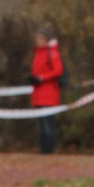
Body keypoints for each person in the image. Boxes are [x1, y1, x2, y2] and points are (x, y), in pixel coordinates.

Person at [31, 24, 64, 155]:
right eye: (37, 38)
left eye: (40, 39)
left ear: (46, 40)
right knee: (41, 125)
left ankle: (49, 151)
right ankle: (43, 150)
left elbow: (58, 70)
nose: (38, 41)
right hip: (38, 93)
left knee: (48, 124)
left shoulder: (52, 53)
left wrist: (42, 78)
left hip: (49, 93)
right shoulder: (38, 53)